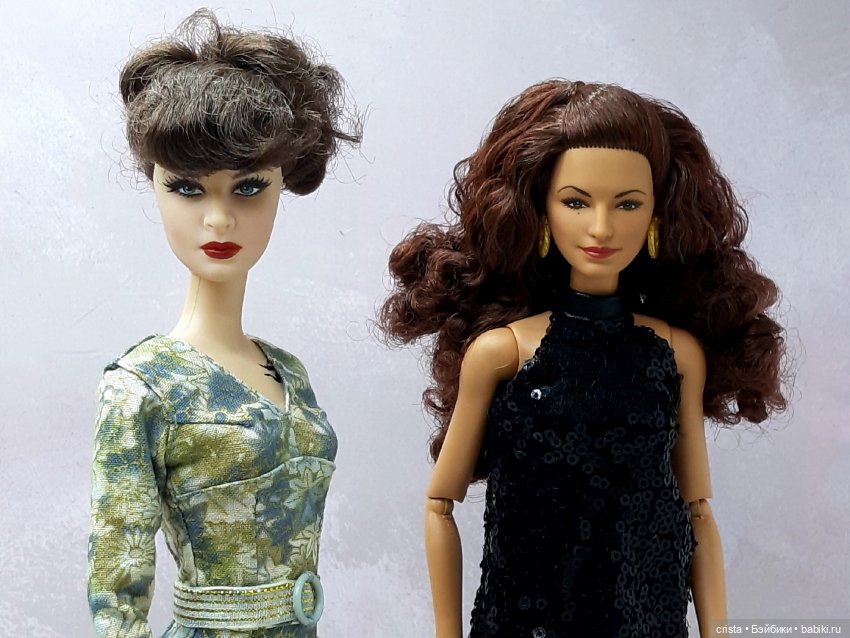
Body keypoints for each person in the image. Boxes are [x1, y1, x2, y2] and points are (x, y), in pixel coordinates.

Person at [380, 79, 787, 637]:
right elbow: (438, 504)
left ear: (657, 217)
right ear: (541, 212)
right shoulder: (503, 354)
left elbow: (698, 513)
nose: (601, 227)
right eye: (576, 202)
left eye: (628, 204)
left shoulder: (675, 355)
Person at [87, 9, 359, 637]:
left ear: (281, 186)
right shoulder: (142, 386)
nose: (218, 219)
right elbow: (117, 594)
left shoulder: (290, 373)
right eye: (187, 188)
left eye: (248, 187)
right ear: (155, 187)